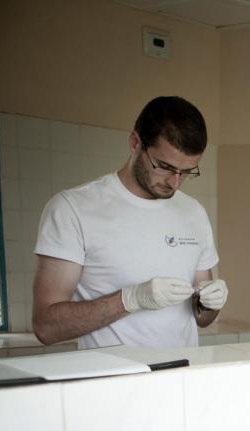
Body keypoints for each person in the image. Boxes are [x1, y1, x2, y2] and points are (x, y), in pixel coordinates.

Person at [32, 96, 227, 349]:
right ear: (135, 143)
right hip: (112, 383)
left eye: (187, 172)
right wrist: (130, 299)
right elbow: (45, 327)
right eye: (164, 166)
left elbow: (203, 319)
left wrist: (211, 303)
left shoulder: (193, 212)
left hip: (180, 381)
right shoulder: (74, 208)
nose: (175, 182)